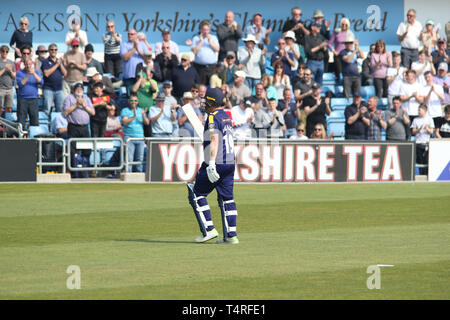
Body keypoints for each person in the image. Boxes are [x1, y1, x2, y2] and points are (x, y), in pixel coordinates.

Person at [187, 88, 239, 244]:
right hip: (230, 162)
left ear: (212, 102)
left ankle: (208, 230)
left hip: (216, 161)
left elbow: (215, 140)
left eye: (206, 100)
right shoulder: (226, 116)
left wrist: (210, 164)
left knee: (195, 193)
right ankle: (231, 235)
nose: (203, 103)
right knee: (227, 198)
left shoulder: (212, 117)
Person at [62, 83, 95, 177]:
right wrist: (76, 104)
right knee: (72, 150)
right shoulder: (69, 98)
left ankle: (86, 170)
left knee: (87, 149)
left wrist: (83, 105)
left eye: (81, 89)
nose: (79, 90)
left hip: (84, 127)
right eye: (78, 88)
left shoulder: (87, 99)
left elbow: (93, 112)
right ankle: (72, 170)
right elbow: (66, 112)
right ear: (74, 90)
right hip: (73, 127)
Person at [121, 93, 149, 172]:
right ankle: (128, 174)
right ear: (129, 101)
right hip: (129, 137)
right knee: (129, 158)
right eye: (132, 100)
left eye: (135, 100)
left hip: (140, 137)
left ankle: (138, 175)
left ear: (138, 101)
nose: (133, 102)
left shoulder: (141, 110)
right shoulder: (125, 110)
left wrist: (143, 115)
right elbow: (125, 122)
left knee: (139, 159)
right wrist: (134, 116)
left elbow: (147, 122)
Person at [16, 58, 43, 130]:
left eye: (30, 64)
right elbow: (21, 84)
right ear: (24, 65)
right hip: (22, 99)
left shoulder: (36, 72)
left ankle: (34, 136)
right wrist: (28, 74)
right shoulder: (19, 73)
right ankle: (20, 137)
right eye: (27, 64)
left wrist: (33, 73)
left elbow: (41, 82)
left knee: (34, 119)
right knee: (21, 119)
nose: (28, 66)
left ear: (32, 65)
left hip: (33, 99)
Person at [191, 20, 220, 85]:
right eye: (204, 30)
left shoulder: (213, 38)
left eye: (207, 30)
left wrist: (209, 41)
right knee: (199, 86)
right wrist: (201, 42)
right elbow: (194, 51)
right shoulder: (196, 38)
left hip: (211, 67)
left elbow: (217, 49)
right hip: (199, 67)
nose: (205, 31)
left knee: (211, 86)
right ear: (201, 30)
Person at [41, 44, 66, 116]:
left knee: (60, 110)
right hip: (48, 89)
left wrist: (60, 64)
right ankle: (46, 126)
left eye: (55, 50)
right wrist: (57, 64)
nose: (53, 51)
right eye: (52, 50)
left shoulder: (60, 61)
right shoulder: (45, 61)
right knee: (47, 109)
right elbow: (46, 74)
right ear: (49, 51)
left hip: (59, 89)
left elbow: (65, 73)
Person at [411, 104, 434, 175]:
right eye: (418, 110)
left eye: (420, 110)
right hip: (418, 143)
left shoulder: (429, 119)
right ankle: (421, 174)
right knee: (419, 160)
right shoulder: (415, 120)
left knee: (426, 160)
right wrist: (419, 129)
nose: (418, 111)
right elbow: (413, 132)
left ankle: (427, 175)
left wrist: (427, 129)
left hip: (426, 143)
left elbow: (431, 132)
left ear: (424, 111)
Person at [340, 34, 364, 99]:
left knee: (357, 95)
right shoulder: (343, 52)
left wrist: (357, 47)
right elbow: (348, 60)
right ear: (345, 44)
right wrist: (354, 51)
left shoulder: (354, 51)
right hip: (347, 76)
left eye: (351, 43)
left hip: (356, 76)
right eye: (348, 43)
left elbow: (362, 56)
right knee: (346, 94)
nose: (350, 45)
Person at [0, 45, 16, 116]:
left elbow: (14, 77)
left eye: (6, 51)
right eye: (3, 51)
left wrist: (10, 71)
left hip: (9, 88)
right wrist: (4, 69)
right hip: (1, 88)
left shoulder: (11, 63)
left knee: (9, 108)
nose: (5, 53)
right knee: (0, 108)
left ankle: (7, 124)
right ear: (0, 52)